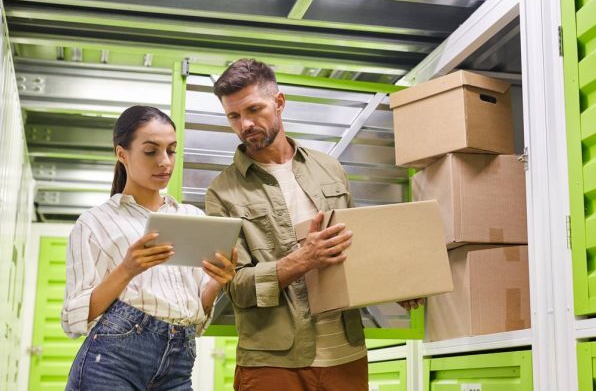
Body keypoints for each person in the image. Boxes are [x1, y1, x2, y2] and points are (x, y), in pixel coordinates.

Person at [205, 59, 422, 391]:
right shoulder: (222, 192)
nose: (245, 124)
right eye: (234, 116)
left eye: (254, 109)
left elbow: (353, 249)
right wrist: (303, 259)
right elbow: (236, 287)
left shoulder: (330, 169)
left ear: (279, 103)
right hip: (272, 362)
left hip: (346, 354)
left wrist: (396, 286)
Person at [62, 105, 237, 391]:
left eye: (171, 150)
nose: (164, 161)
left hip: (179, 362)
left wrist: (217, 283)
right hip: (112, 361)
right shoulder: (95, 223)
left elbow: (197, 312)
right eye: (151, 151)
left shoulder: (193, 218)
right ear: (122, 154)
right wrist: (127, 269)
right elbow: (74, 318)